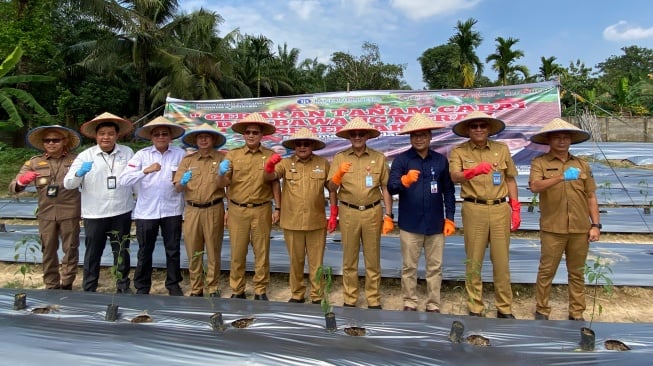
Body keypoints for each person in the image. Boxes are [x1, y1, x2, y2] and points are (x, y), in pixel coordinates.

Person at [448, 111, 521, 319]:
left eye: (482, 125)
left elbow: (510, 180)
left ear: (489, 129)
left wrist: (515, 208)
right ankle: (475, 306)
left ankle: (504, 307)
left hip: (500, 209)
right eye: (474, 126)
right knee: (474, 260)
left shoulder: (501, 149)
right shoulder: (459, 151)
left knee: (501, 261)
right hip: (474, 208)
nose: (479, 129)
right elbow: (454, 176)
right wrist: (473, 171)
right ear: (468, 130)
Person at [528, 118, 600, 321]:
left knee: (577, 273)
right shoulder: (540, 163)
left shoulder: (582, 165)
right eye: (557, 137)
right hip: (553, 228)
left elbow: (591, 196)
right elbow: (535, 186)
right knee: (546, 271)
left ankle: (577, 312)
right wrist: (560, 177)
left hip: (580, 228)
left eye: (565, 137)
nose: (561, 141)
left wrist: (595, 225)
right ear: (549, 140)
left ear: (571, 140)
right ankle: (542, 309)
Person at [387, 114, 456, 313]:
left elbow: (448, 191)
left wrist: (450, 218)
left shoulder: (441, 161)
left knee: (435, 267)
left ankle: (433, 303)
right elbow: (391, 188)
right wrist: (403, 181)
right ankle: (410, 301)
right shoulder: (402, 160)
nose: (419, 139)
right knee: (409, 267)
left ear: (430, 137)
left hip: (435, 224)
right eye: (415, 135)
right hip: (410, 224)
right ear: (410, 138)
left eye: (423, 135)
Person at [63, 112, 135, 293]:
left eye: (110, 133)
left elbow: (134, 180)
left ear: (117, 135)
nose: (106, 137)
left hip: (121, 210)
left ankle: (122, 285)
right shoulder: (85, 156)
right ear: (96, 136)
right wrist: (80, 173)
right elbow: (68, 183)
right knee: (93, 253)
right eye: (102, 133)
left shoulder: (127, 152)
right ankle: (89, 287)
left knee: (121, 250)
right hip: (95, 213)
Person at [263, 127, 336, 304]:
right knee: (296, 261)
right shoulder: (286, 164)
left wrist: (334, 211)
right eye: (298, 144)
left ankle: (317, 295)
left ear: (312, 145)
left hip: (316, 221)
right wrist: (269, 166)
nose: (302, 147)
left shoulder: (323, 163)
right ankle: (297, 294)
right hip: (292, 221)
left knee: (316, 262)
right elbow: (269, 177)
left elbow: (332, 188)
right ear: (294, 146)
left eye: (306, 143)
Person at [327, 117, 393, 309]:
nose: (357, 137)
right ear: (348, 136)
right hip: (348, 211)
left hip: (372, 211)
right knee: (349, 258)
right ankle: (350, 298)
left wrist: (388, 215)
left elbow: (385, 188)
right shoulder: (340, 158)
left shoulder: (378, 158)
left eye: (361, 133)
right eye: (353, 134)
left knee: (373, 258)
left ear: (367, 136)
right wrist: (338, 175)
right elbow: (331, 187)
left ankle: (373, 298)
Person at [119, 116, 186, 296]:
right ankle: (142, 286)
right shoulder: (142, 155)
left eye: (165, 134)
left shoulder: (180, 154)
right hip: (146, 211)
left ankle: (173, 284)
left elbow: (188, 178)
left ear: (170, 136)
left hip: (172, 209)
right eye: (157, 134)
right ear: (151, 137)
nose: (161, 137)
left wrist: (184, 181)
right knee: (144, 250)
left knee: (172, 250)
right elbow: (124, 179)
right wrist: (144, 170)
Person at [9, 125, 82, 290]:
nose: (51, 143)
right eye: (47, 140)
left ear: (64, 141)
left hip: (70, 211)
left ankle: (67, 283)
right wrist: (22, 182)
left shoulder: (76, 160)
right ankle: (51, 284)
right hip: (46, 212)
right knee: (48, 249)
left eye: (55, 140)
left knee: (70, 249)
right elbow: (13, 185)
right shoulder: (34, 162)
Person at [219, 113, 281, 300]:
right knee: (237, 252)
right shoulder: (233, 155)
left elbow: (275, 183)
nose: (251, 135)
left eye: (255, 132)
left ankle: (260, 290)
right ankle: (237, 289)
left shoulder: (270, 155)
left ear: (262, 135)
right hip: (237, 209)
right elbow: (225, 183)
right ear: (243, 135)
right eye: (248, 132)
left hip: (262, 209)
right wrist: (221, 174)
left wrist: (278, 208)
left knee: (262, 252)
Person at [173, 123, 228, 297]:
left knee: (213, 249)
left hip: (214, 208)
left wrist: (220, 174)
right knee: (193, 249)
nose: (203, 140)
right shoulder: (187, 161)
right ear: (195, 140)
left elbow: (225, 184)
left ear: (213, 140)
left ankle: (212, 287)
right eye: (200, 137)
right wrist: (182, 182)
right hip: (192, 210)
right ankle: (196, 287)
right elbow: (177, 188)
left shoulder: (222, 159)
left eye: (207, 136)